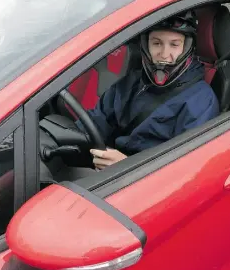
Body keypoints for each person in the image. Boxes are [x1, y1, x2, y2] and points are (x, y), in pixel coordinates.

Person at [78, 10, 220, 171]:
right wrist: (68, 137)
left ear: (187, 48)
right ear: (146, 45)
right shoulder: (132, 81)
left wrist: (127, 166)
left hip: (144, 181)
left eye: (174, 44)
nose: (164, 55)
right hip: (105, 168)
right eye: (157, 43)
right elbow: (96, 121)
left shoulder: (201, 101)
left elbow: (186, 170)